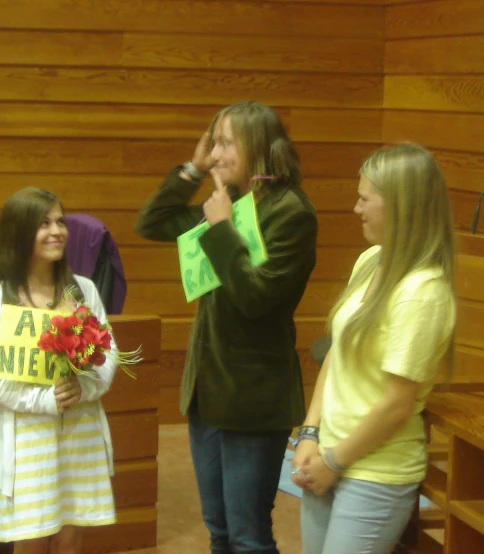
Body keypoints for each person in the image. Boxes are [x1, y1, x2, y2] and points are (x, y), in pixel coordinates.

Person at [135, 100, 318, 554]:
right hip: (207, 392)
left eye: (224, 144)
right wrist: (192, 172)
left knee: (248, 537)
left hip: (253, 398)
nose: (214, 154)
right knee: (219, 533)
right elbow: (152, 223)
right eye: (211, 144)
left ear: (257, 144)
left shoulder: (290, 212)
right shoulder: (229, 203)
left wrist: (219, 229)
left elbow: (256, 298)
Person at [291, 143, 456, 554]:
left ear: (401, 205)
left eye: (365, 199)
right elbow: (336, 353)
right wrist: (309, 435)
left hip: (374, 472)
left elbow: (396, 404)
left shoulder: (423, 291)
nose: (356, 208)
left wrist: (334, 462)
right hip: (327, 453)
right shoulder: (371, 260)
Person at [0, 187, 118, 554]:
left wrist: (86, 389)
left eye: (60, 221)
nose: (57, 231)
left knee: (71, 532)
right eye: (43, 223)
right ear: (19, 233)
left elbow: (109, 352)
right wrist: (41, 399)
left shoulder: (83, 290)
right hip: (28, 437)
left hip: (80, 430)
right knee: (31, 536)